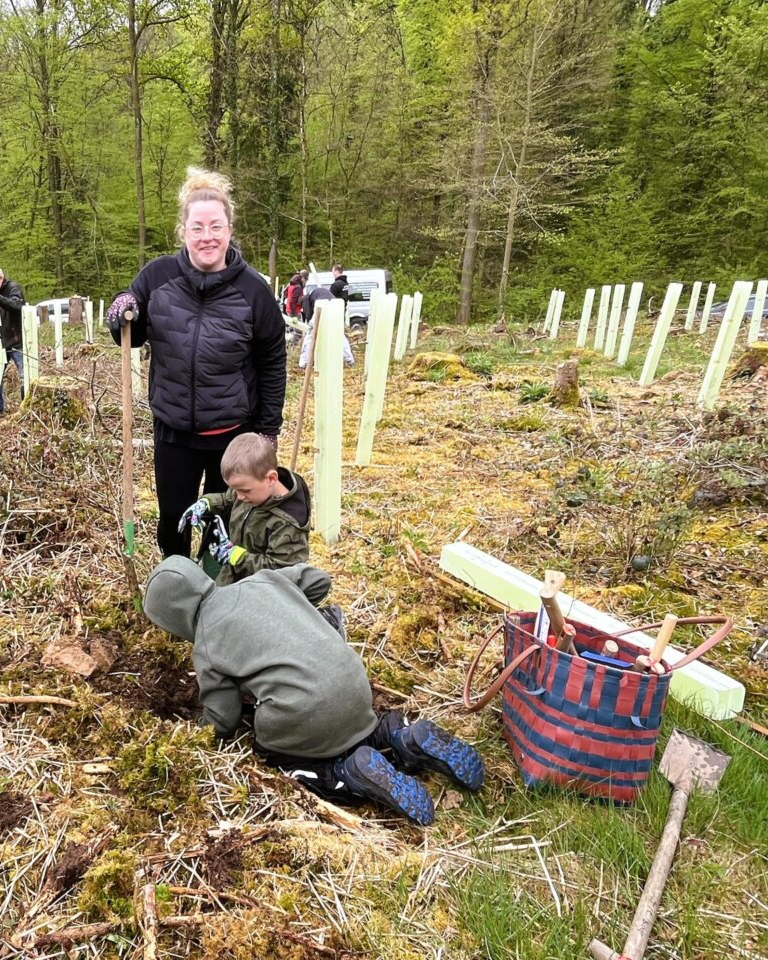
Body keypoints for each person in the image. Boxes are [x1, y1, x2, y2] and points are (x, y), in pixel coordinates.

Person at [143, 557, 485, 825]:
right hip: (353, 681)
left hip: (303, 712)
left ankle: (347, 775)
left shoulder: (205, 642)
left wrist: (197, 738)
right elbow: (319, 580)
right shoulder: (264, 580)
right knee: (355, 725)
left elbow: (224, 718)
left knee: (275, 757)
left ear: (175, 617)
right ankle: (402, 736)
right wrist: (293, 612)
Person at [106, 167, 286, 559]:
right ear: (183, 231)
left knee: (221, 521)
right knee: (173, 517)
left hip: (232, 433)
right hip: (174, 431)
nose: (208, 237)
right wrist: (122, 307)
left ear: (230, 229)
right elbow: (130, 331)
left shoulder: (253, 291)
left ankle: (211, 588)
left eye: (216, 227)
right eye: (198, 228)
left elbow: (273, 362)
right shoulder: (158, 276)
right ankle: (176, 582)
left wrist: (268, 431)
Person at [178, 432, 311, 586]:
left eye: (245, 491)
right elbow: (228, 500)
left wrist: (237, 557)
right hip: (234, 577)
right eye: (235, 489)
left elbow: (281, 571)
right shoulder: (253, 490)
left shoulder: (287, 522)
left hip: (264, 593)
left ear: (271, 478)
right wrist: (206, 503)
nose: (240, 497)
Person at [0, 264, 26, 414]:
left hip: (16, 339)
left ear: (0, 277)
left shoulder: (13, 288)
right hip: (0, 341)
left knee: (24, 375)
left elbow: (16, 305)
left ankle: (25, 408)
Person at [300, 267, 355, 368]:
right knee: (339, 335)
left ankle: (304, 362)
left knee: (310, 335)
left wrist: (310, 325)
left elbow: (309, 315)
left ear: (336, 271)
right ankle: (349, 360)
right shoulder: (347, 284)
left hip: (324, 307)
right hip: (338, 309)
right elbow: (352, 297)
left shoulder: (334, 285)